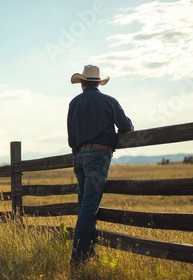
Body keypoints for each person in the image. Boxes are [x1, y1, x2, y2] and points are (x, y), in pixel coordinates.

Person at [67, 65, 134, 267]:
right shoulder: (109, 101)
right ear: (97, 82)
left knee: (85, 206)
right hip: (98, 156)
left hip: (79, 156)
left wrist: (79, 152)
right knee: (89, 207)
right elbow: (127, 127)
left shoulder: (74, 103)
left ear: (82, 83)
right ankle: (77, 258)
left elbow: (71, 137)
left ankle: (89, 252)